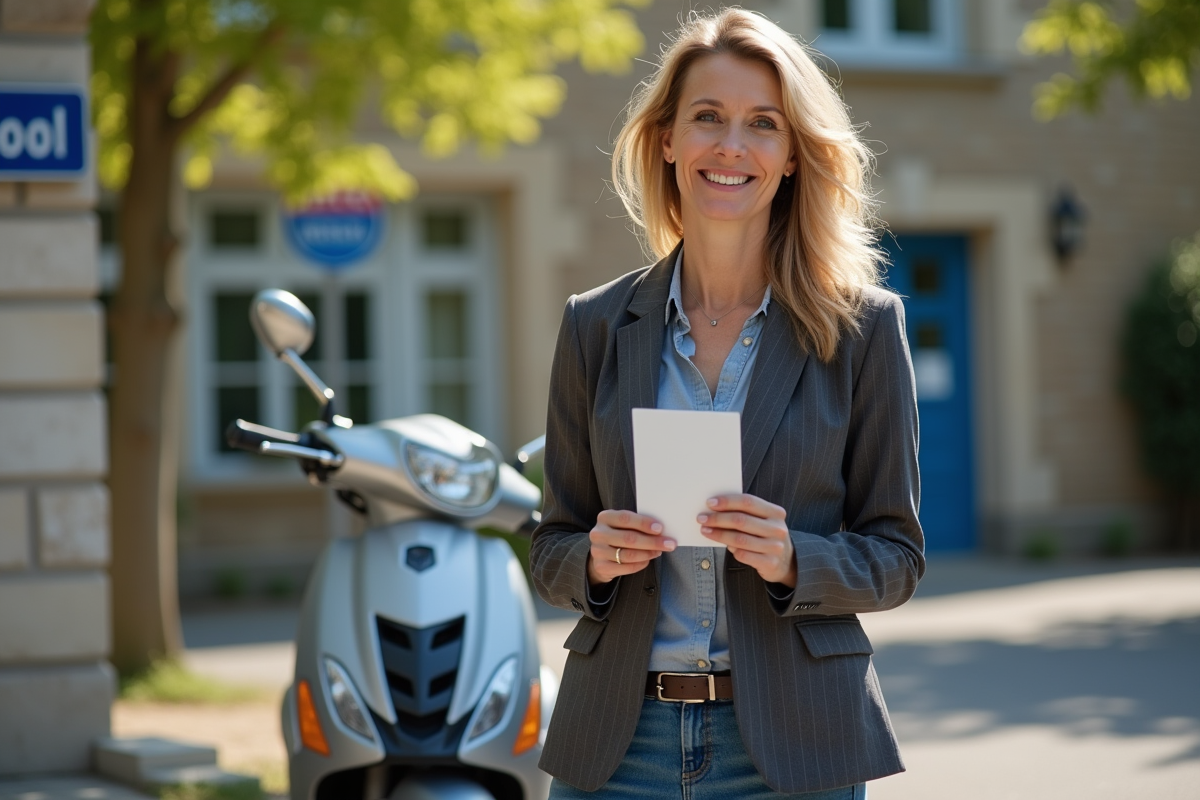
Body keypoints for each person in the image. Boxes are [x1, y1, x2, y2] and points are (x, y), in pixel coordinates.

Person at [529, 8, 923, 800]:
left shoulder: (865, 329)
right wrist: (595, 562)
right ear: (668, 139)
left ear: (791, 157)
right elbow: (551, 548)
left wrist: (793, 559)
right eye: (708, 117)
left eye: (763, 125)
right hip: (617, 743)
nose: (731, 146)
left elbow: (898, 557)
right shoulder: (594, 325)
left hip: (793, 744)